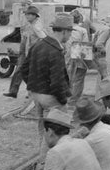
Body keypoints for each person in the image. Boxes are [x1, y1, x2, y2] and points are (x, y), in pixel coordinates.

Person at [21, 13, 72, 161]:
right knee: (56, 133)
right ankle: (43, 165)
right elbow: (57, 82)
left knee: (43, 131)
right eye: (69, 32)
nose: (69, 36)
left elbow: (24, 68)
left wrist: (34, 86)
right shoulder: (56, 51)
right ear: (64, 31)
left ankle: (42, 161)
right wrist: (62, 101)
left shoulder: (39, 44)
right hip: (52, 98)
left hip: (37, 95)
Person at [3, 5, 46, 98]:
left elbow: (44, 38)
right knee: (19, 70)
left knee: (30, 73)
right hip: (25, 51)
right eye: (26, 14)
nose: (26, 16)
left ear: (34, 16)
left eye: (29, 15)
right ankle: (13, 91)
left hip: (33, 53)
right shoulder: (29, 24)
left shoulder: (37, 26)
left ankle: (32, 92)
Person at [66, 10, 90, 107]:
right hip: (78, 55)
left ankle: (65, 98)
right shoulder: (82, 30)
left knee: (67, 78)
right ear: (79, 19)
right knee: (78, 80)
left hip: (66, 56)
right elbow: (85, 45)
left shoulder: (65, 29)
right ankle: (73, 100)